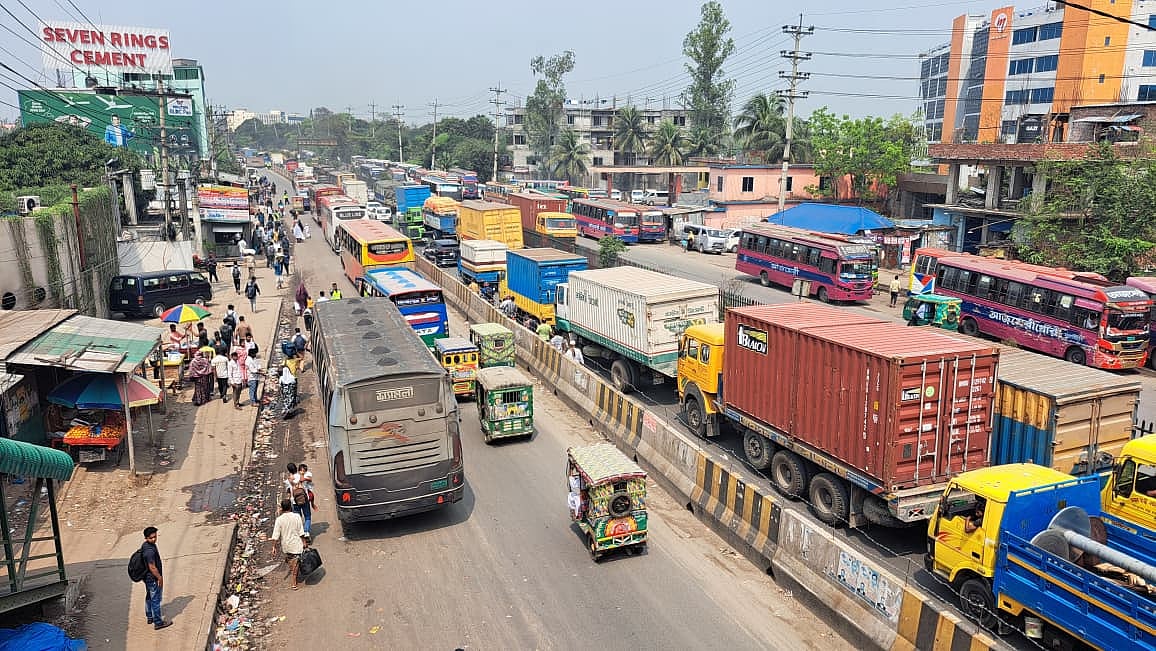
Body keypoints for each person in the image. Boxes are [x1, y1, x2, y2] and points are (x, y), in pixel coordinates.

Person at [270, 498, 308, 590]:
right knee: (295, 564)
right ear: (291, 507)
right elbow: (301, 532)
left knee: (292, 560)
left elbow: (275, 535)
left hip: (286, 545)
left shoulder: (279, 519)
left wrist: (274, 547)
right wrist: (304, 542)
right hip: (296, 544)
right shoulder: (297, 516)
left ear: (282, 508)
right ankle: (294, 583)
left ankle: (291, 563)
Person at [140, 526, 171, 629]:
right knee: (156, 600)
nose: (154, 539)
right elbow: (152, 567)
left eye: (155, 537)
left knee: (149, 596)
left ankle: (149, 616)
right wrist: (160, 578)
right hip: (152, 578)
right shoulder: (150, 551)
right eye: (151, 537)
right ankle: (158, 622)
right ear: (146, 538)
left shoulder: (145, 546)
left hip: (147, 577)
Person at [284, 463, 311, 537]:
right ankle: (306, 532)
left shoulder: (288, 480)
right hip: (305, 499)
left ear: (289, 470)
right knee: (307, 516)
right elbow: (309, 481)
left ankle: (300, 533)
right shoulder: (302, 476)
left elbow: (288, 492)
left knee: (298, 518)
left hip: (295, 501)